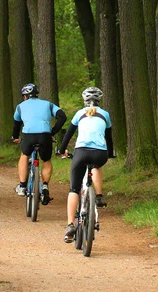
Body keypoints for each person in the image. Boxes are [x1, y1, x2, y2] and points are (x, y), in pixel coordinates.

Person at [59, 86, 114, 243]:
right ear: (99, 101)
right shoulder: (105, 115)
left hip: (81, 152)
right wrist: (109, 153)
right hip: (100, 153)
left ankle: (70, 225)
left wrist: (62, 150)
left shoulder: (79, 114)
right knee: (96, 166)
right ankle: (98, 196)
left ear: (84, 101)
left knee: (74, 189)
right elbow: (109, 138)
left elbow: (68, 134)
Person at [12, 83, 67, 205]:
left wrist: (15, 137)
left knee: (24, 156)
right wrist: (53, 132)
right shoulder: (48, 104)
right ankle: (45, 186)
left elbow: (16, 124)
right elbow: (62, 117)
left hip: (29, 137)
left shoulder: (20, 106)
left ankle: (22, 186)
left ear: (25, 96)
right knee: (46, 160)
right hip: (44, 136)